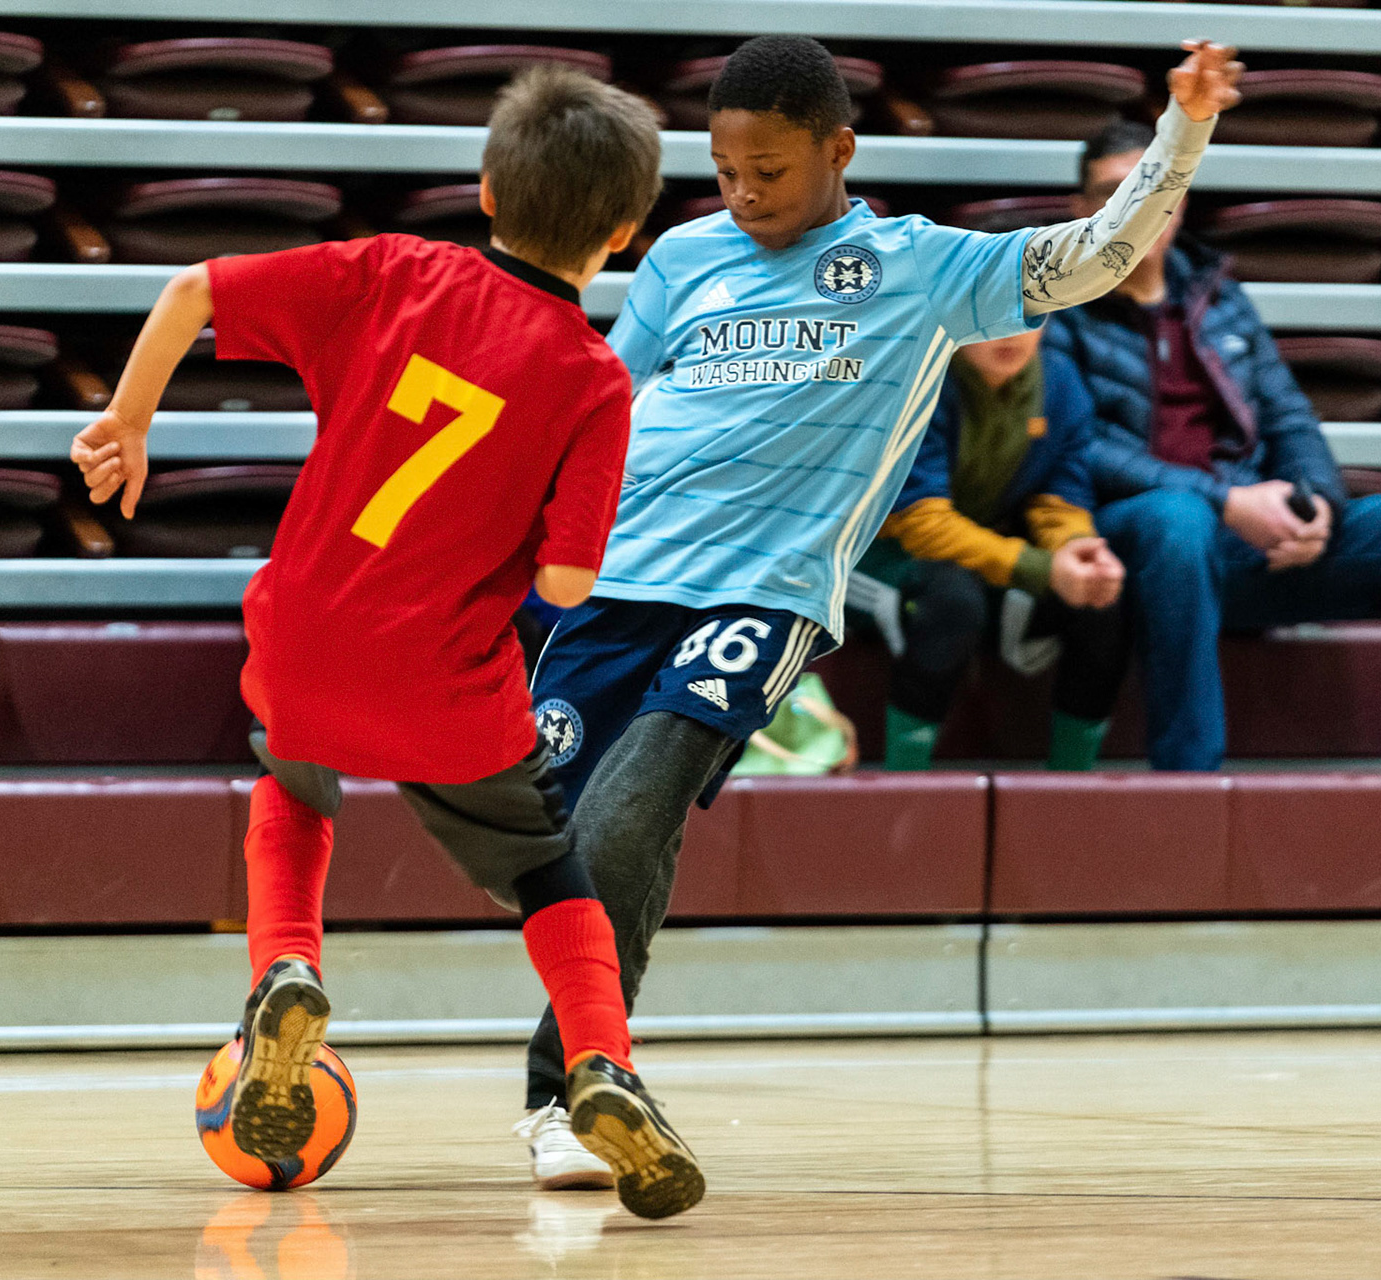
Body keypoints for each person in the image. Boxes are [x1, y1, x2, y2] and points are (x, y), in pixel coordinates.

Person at [518, 34, 1242, 1180]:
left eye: (771, 170)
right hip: (614, 577)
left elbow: (1097, 258)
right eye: (725, 171)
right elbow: (607, 396)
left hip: (765, 590)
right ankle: (604, 1072)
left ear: (840, 149)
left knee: (629, 810)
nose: (745, 194)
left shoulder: (919, 266)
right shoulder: (681, 258)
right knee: (592, 834)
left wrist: (1184, 128)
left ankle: (567, 1091)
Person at [71, 69, 703, 1220]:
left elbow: (190, 289)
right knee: (543, 867)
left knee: (293, 786)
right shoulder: (594, 380)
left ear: (486, 191)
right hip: (444, 680)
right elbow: (565, 579)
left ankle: (287, 972)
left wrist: (127, 419)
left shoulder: (396, 270)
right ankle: (601, 1063)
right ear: (623, 234)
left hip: (307, 634)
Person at [1043, 119, 1381, 772]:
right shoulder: (1054, 306)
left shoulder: (1222, 299)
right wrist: (1227, 501)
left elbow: (1291, 421)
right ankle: (1189, 778)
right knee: (1178, 520)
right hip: (1132, 543)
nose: (1136, 208)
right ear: (1082, 209)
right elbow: (1079, 449)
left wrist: (1316, 508)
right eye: (1115, 191)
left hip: (1246, 536)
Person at [849, 330, 1128, 771]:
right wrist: (1042, 568)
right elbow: (921, 524)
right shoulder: (914, 374)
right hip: (866, 554)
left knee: (1100, 601)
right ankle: (903, 789)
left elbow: (1059, 499)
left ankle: (1072, 790)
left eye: (1030, 312)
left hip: (972, 554)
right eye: (995, 308)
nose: (1012, 329)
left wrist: (1079, 553)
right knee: (952, 602)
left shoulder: (1059, 378)